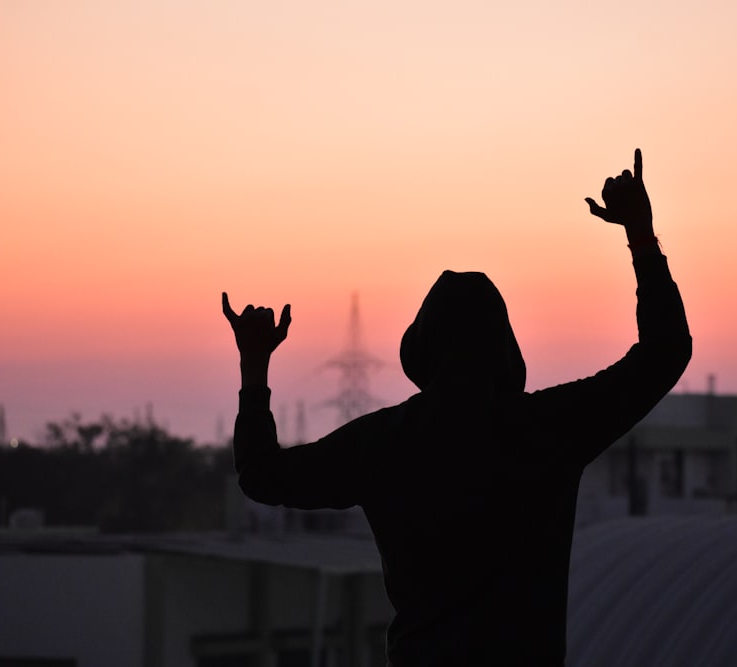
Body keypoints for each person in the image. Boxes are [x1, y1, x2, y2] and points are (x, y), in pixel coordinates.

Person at [222, 148, 691, 666]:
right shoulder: (546, 429)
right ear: (506, 352)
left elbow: (261, 475)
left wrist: (254, 365)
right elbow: (664, 353)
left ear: (422, 351)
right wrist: (641, 236)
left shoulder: (384, 443)